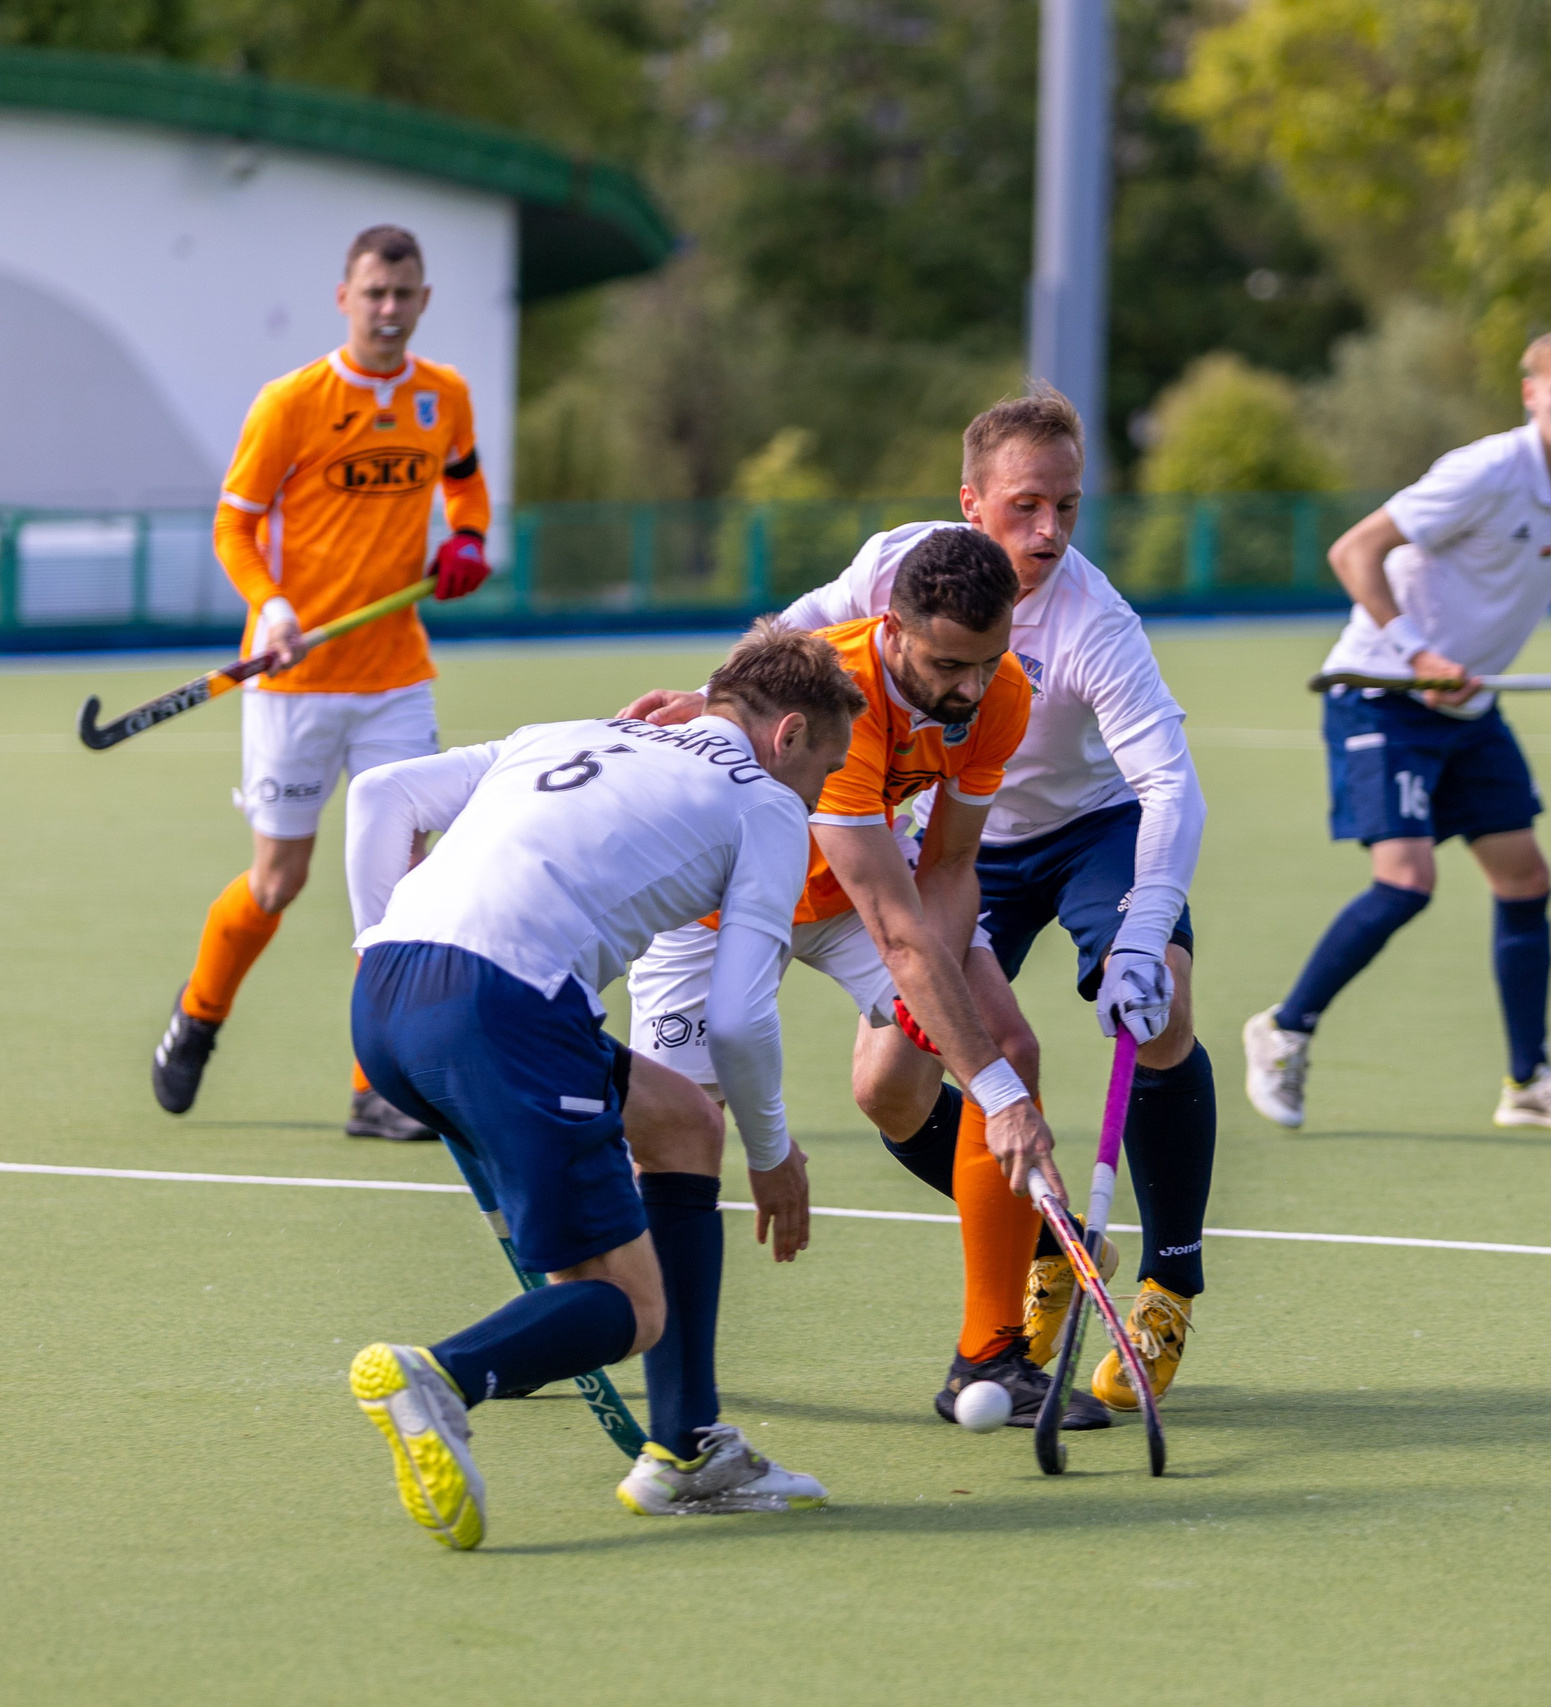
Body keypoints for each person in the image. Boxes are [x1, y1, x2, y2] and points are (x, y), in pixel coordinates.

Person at [627, 386, 1214, 1419]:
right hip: (744, 890)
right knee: (738, 1113)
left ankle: (1033, 1338)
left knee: (1065, 1028)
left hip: (1057, 837)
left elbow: (953, 863)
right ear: (969, 506)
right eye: (1026, 506)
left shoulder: (1038, 664)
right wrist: (717, 701)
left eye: (1068, 507)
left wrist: (1135, 935)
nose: (1050, 532)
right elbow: (788, 647)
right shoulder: (868, 629)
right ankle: (594, 1300)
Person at [341, 621, 871, 1548]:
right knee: (631, 1307)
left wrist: (374, 944)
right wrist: (774, 1153)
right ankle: (440, 1376)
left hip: (383, 996)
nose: (818, 795)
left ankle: (690, 1450)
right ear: (788, 734)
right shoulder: (767, 805)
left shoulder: (567, 731)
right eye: (824, 770)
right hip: (509, 1013)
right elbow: (737, 1017)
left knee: (683, 1122)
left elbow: (381, 794)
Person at [619, 526, 1104, 1427]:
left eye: (987, 659)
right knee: (678, 1125)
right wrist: (981, 1073)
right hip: (720, 898)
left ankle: (990, 1357)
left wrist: (946, 1015)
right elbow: (892, 922)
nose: (970, 687)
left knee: (998, 1044)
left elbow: (950, 865)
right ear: (893, 628)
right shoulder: (838, 695)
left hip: (852, 895)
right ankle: (601, 1303)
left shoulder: (1001, 691)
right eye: (948, 664)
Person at [1242, 326, 1551, 1132]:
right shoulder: (1485, 470)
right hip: (1382, 692)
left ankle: (1528, 1083)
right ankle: (1284, 1028)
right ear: (1531, 394)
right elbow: (1355, 552)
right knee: (1407, 882)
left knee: (1525, 878)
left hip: (1469, 709)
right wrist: (1419, 655)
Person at [152, 224, 495, 1141]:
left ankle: (377, 1088)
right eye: (374, 293)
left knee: (404, 883)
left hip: (395, 679)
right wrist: (270, 606)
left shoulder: (444, 395)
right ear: (344, 298)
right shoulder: (291, 402)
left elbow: (465, 486)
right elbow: (233, 526)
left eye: (404, 294)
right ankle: (199, 1013)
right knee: (278, 881)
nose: (388, 309)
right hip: (294, 682)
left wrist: (466, 540)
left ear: (424, 301)